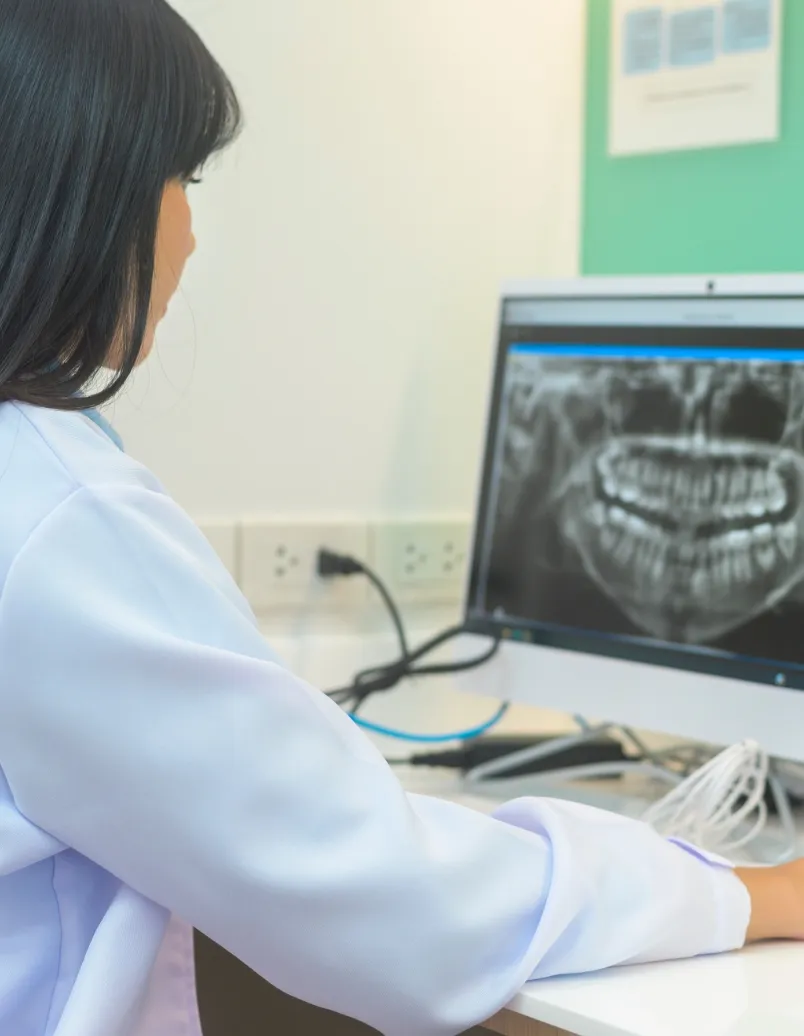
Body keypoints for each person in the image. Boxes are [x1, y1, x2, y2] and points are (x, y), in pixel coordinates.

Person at [0, 2, 801, 1035]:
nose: (190, 233)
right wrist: (752, 893)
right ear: (84, 188)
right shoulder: (57, 518)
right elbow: (393, 899)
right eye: (182, 180)